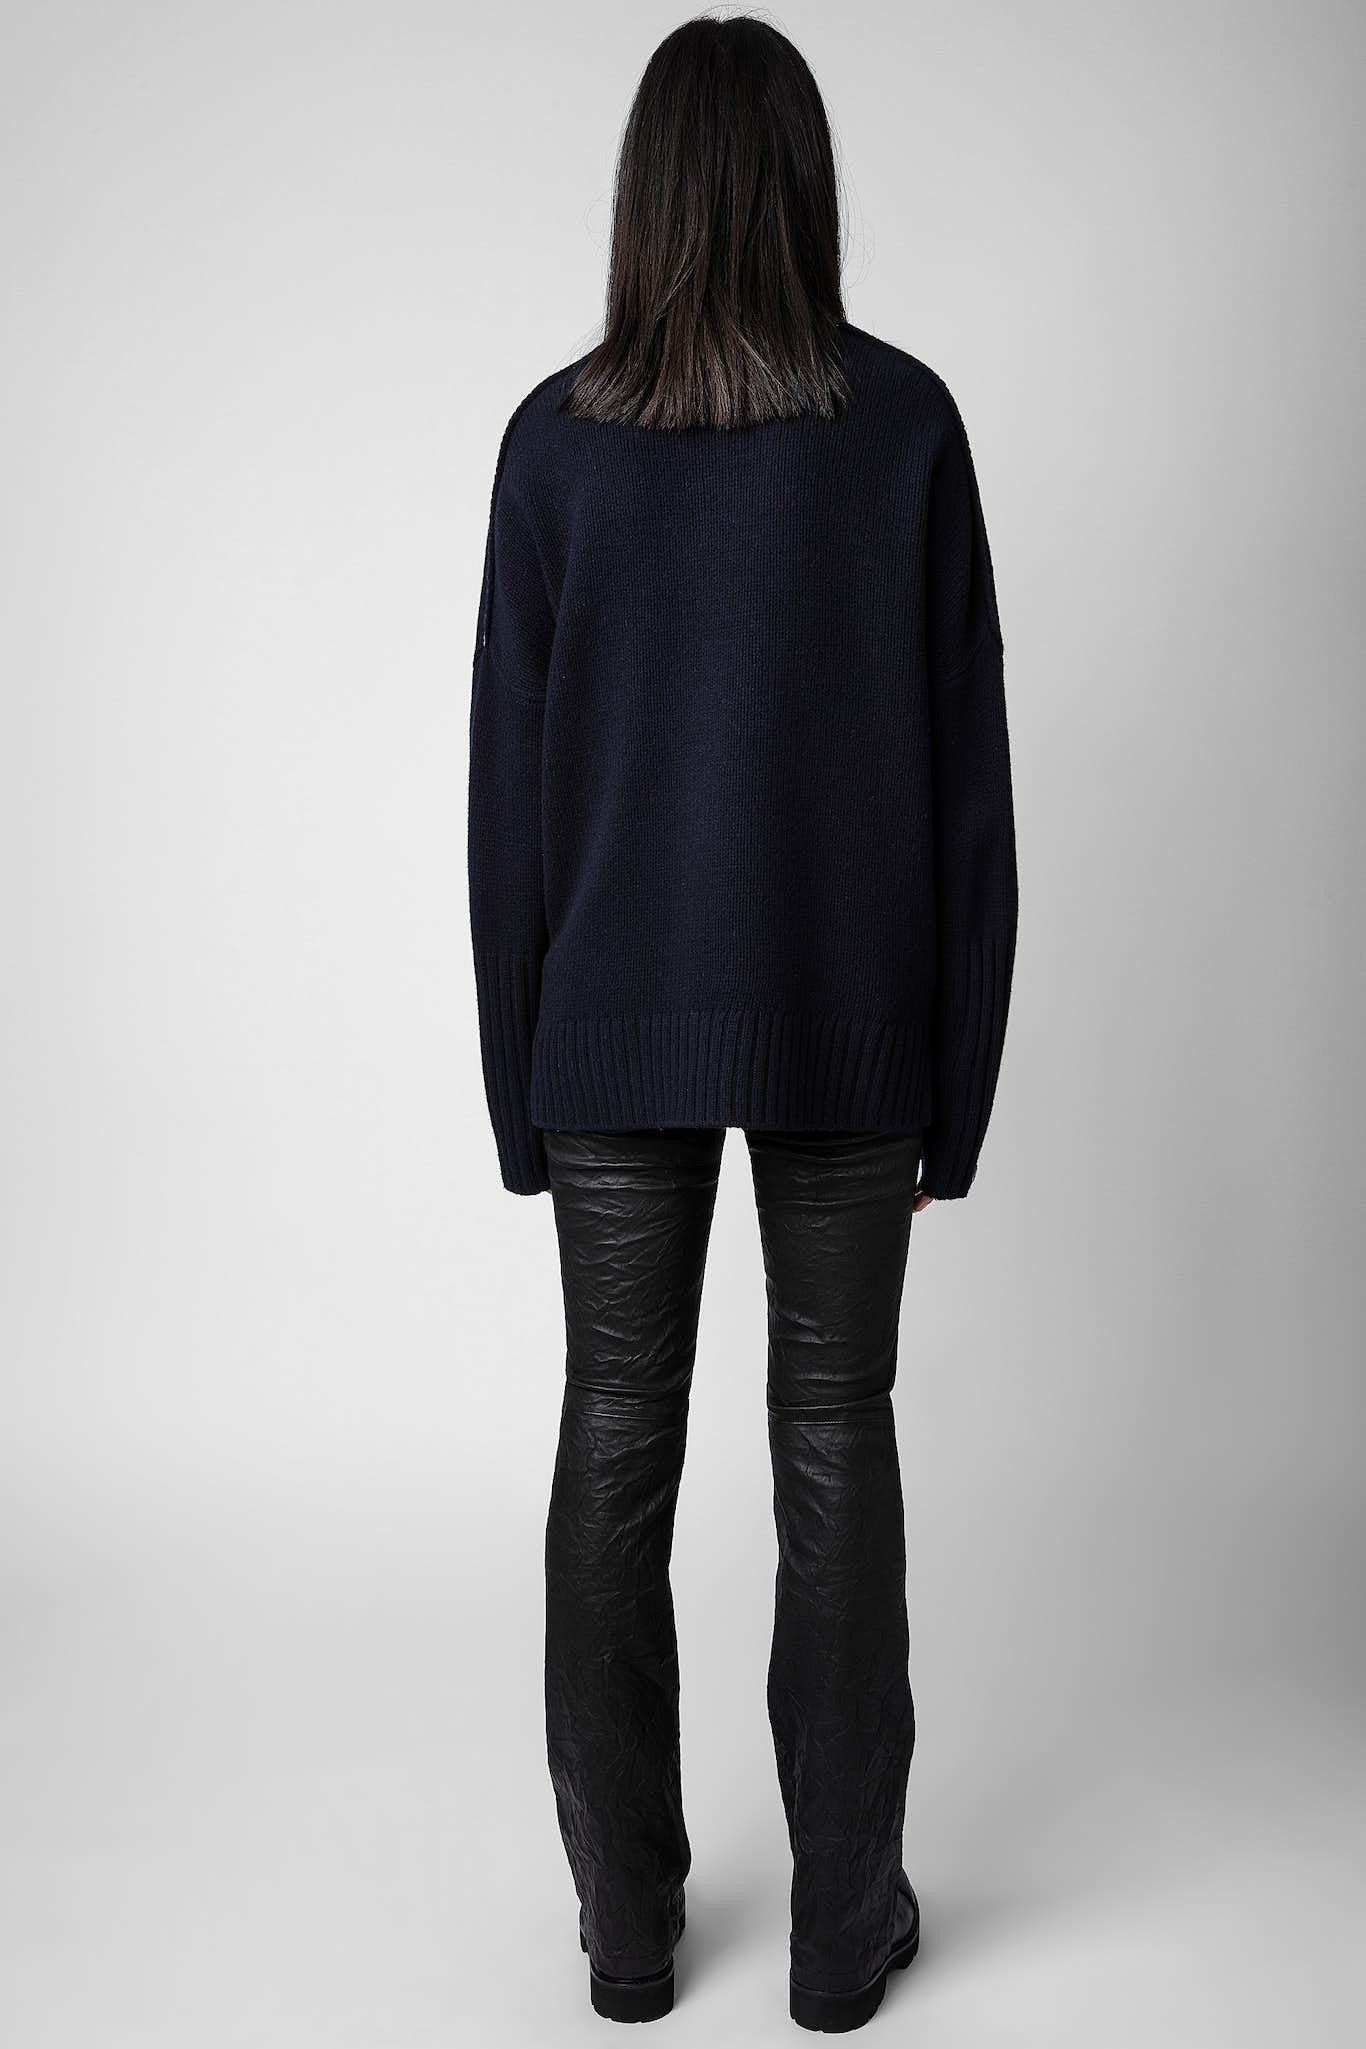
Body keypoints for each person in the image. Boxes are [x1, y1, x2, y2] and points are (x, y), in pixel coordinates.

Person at [466, 14, 1017, 2031]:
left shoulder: (552, 443)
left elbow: (503, 801)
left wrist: (517, 1084)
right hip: (848, 1018)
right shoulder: (903, 426)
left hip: (605, 1025)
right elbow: (967, 791)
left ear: (643, 200)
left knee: (612, 1439)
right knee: (832, 1434)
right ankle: (840, 1933)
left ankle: (627, 1933)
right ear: (803, 185)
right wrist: (955, 1092)